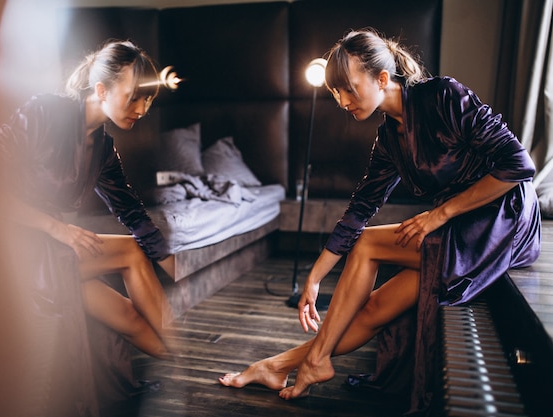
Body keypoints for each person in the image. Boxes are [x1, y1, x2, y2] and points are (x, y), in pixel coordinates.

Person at [219, 28, 541, 415]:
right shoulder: (390, 137)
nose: (341, 100)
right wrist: (315, 277)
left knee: (369, 244)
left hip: (500, 219)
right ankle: (279, 365)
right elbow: (360, 209)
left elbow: (520, 166)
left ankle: (312, 361)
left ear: (382, 79)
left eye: (349, 89)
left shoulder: (443, 96)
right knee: (373, 308)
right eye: (336, 92)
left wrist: (440, 213)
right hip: (456, 228)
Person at [0, 40, 176, 416]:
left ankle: (189, 362)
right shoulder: (43, 112)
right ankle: (187, 348)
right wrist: (57, 229)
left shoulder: (104, 148)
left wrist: (176, 264)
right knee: (128, 250)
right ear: (101, 90)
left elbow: (132, 212)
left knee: (128, 317)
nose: (142, 110)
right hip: (4, 245)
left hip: (51, 248)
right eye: (134, 98)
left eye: (148, 101)